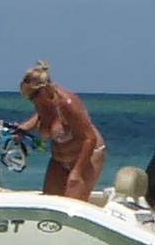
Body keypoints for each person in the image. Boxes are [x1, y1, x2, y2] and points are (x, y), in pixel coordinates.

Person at [17, 62, 105, 204]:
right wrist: (21, 129)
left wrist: (76, 172)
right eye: (28, 98)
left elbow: (90, 138)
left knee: (72, 205)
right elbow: (40, 118)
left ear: (44, 89)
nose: (32, 101)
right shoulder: (43, 103)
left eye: (33, 96)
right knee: (49, 203)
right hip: (59, 159)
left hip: (86, 156)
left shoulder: (67, 104)